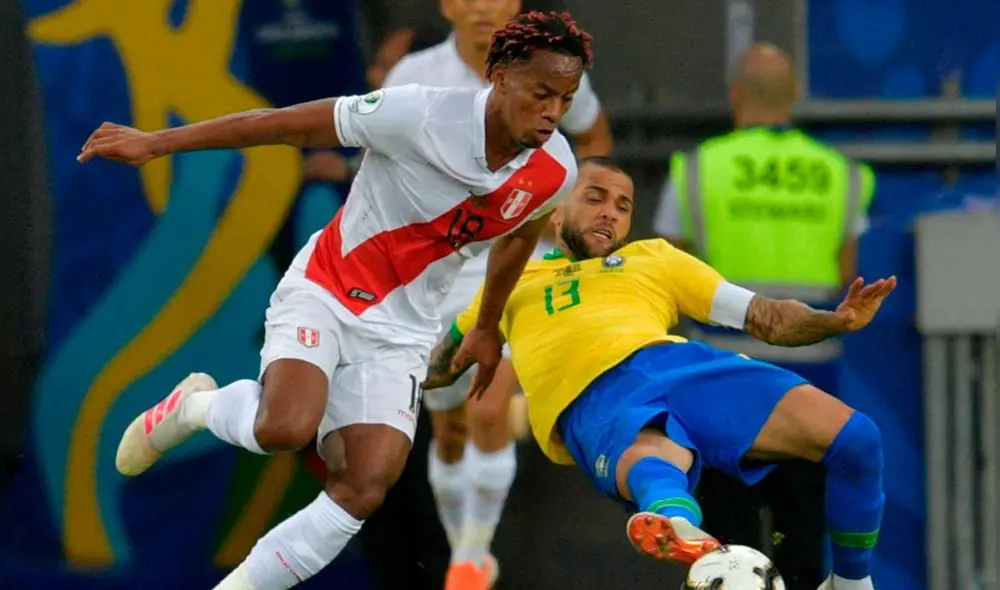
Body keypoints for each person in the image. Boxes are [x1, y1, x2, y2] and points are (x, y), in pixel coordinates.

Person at [77, 11, 594, 590]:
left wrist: (487, 325)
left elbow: (522, 234)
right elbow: (278, 126)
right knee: (284, 429)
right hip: (325, 289)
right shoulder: (417, 110)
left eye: (566, 99)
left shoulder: (555, 170)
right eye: (541, 94)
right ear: (499, 78)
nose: (552, 112)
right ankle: (195, 407)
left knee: (364, 487)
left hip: (403, 332)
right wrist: (156, 143)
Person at [423, 156, 896, 590]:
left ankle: (850, 584)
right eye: (594, 197)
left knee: (858, 438)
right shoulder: (512, 283)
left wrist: (835, 320)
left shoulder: (653, 259)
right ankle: (679, 525)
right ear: (555, 212)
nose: (610, 212)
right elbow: (439, 365)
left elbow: (765, 316)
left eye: (623, 205)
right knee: (652, 453)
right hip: (594, 397)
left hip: (686, 369)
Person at [380, 4, 612, 587]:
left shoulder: (548, 70)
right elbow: (380, 166)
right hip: (432, 275)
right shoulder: (412, 76)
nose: (485, 7)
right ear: (448, 6)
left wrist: (573, 213)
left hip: (515, 265)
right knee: (450, 428)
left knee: (488, 411)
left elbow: (593, 133)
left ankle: (469, 557)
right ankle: (470, 550)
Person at [654, 43, 876, 588]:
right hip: (811, 380)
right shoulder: (841, 174)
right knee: (803, 537)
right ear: (794, 95)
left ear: (735, 95)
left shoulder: (696, 169)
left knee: (726, 549)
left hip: (718, 382)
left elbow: (667, 273)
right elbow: (849, 274)